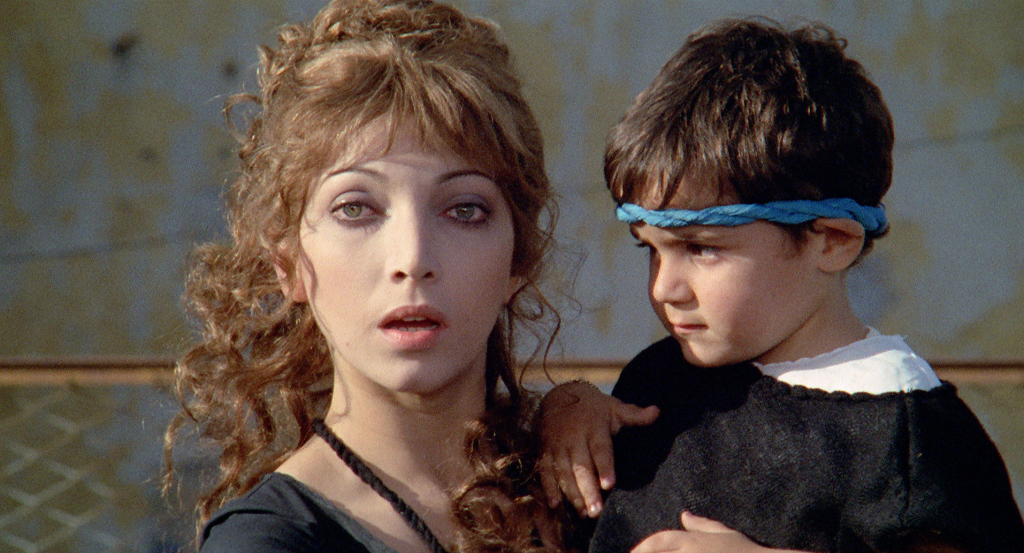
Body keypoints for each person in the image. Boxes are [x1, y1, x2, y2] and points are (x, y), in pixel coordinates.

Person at [539, 18, 1024, 553]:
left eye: (701, 248)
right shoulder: (659, 378)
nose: (663, 288)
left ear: (832, 241)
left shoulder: (907, 435)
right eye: (649, 249)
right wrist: (567, 409)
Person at [162, 1, 572, 551]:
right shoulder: (267, 541)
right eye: (355, 208)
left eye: (464, 210)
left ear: (518, 259)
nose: (412, 258)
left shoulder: (609, 479)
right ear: (288, 264)